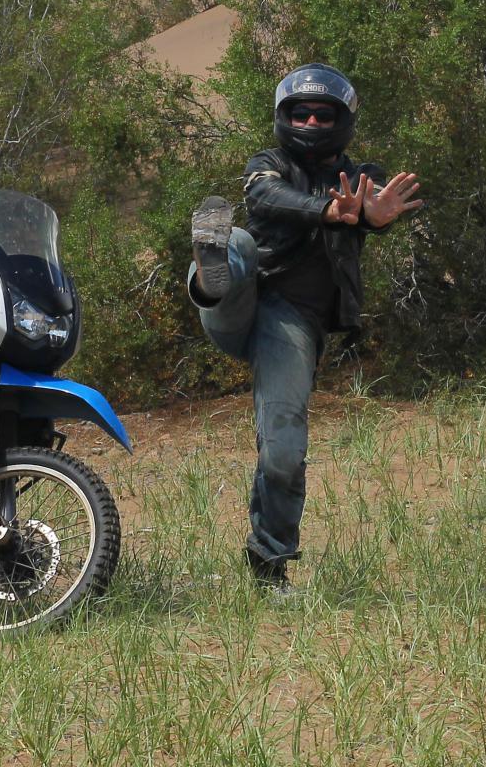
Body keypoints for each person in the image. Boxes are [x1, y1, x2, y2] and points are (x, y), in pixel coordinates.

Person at [188, 63, 423, 589]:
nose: (312, 120)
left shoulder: (360, 175)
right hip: (241, 301)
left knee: (284, 452)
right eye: (301, 111)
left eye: (323, 112)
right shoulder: (267, 164)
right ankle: (207, 277)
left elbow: (371, 203)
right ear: (283, 116)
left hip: (292, 324)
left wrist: (368, 213)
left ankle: (268, 570)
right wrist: (326, 211)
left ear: (342, 119)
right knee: (238, 243)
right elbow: (262, 197)